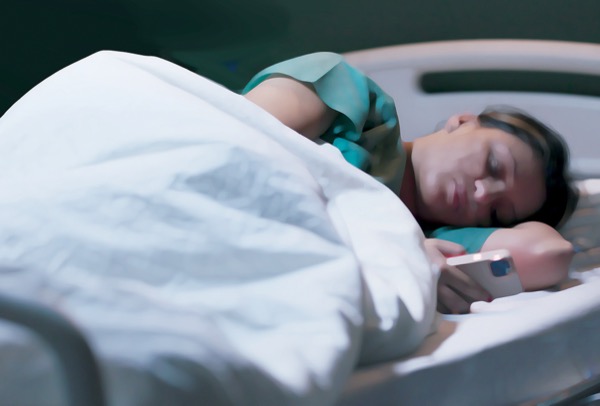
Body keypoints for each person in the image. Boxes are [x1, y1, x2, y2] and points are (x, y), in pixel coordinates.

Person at [242, 52, 578, 314]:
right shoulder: (354, 100)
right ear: (463, 122)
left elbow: (547, 254)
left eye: (495, 213)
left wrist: (409, 249)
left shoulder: (434, 242)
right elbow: (237, 143)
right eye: (493, 166)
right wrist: (384, 246)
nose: (481, 193)